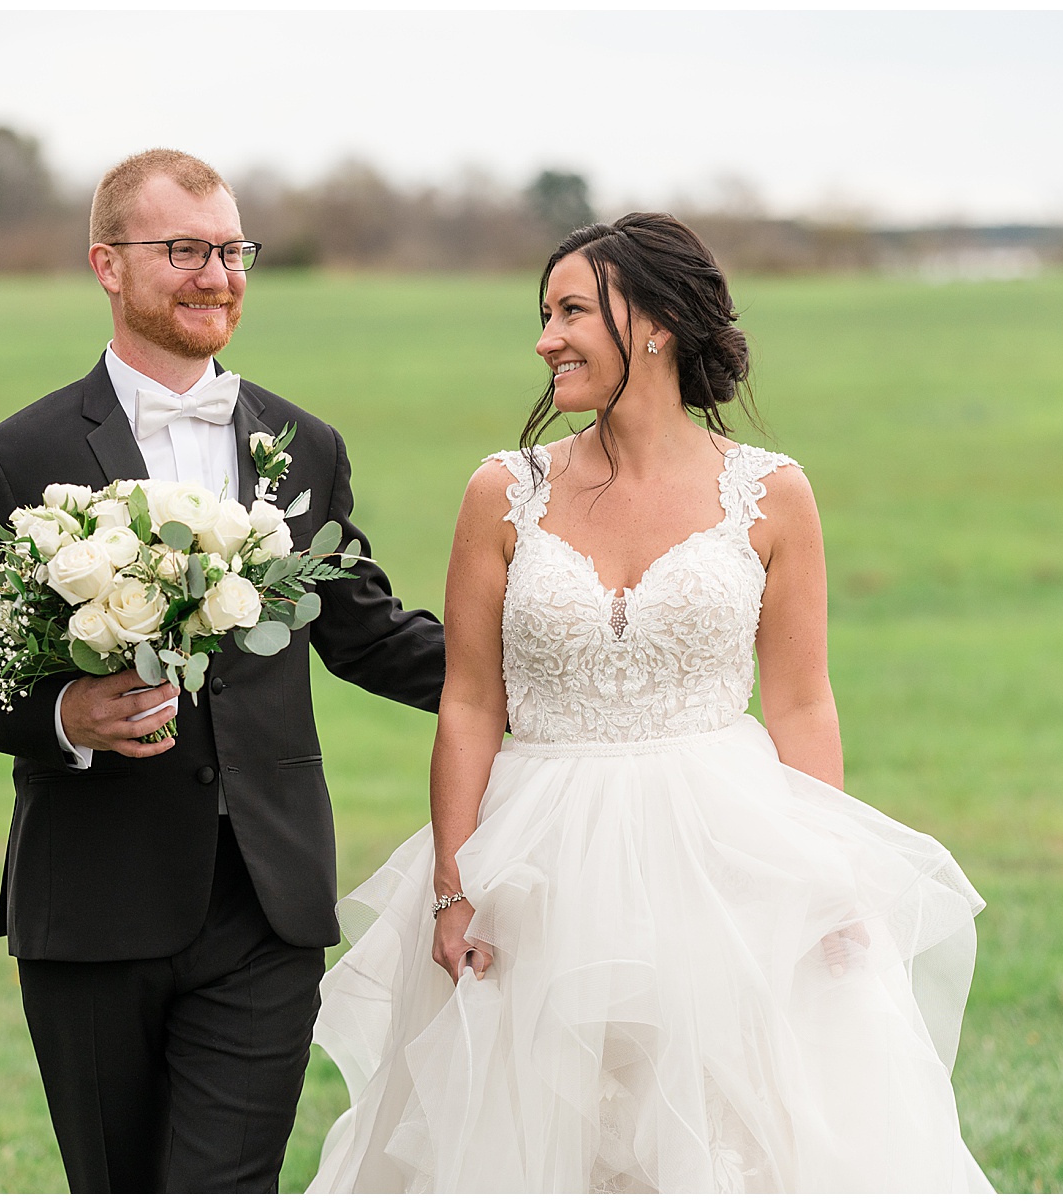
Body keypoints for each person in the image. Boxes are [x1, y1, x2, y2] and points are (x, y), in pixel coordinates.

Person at [306, 213, 992, 1192]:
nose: (546, 338)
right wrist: (454, 884)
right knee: (538, 1133)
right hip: (533, 857)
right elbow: (467, 700)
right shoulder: (503, 492)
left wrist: (827, 874)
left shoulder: (773, 494)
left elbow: (801, 702)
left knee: (725, 1131)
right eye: (545, 313)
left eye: (572, 311)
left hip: (720, 849)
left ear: (660, 323)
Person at [0, 148, 445, 1193]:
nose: (218, 275)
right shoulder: (20, 453)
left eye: (232, 250)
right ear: (109, 266)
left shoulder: (303, 445)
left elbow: (368, 632)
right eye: (186, 251)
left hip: (268, 900)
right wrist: (69, 709)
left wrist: (547, 667)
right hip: (95, 900)